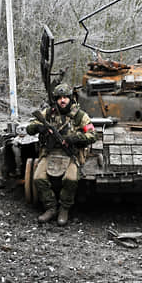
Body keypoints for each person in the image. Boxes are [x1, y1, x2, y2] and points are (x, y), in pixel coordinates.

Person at [25, 83, 95, 226]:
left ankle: (64, 208)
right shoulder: (48, 113)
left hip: (71, 155)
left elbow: (93, 135)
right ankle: (51, 207)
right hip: (49, 153)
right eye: (59, 98)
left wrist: (75, 138)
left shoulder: (80, 116)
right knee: (38, 178)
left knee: (71, 179)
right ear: (55, 99)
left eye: (65, 98)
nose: (62, 101)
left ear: (70, 98)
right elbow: (29, 128)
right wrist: (40, 127)